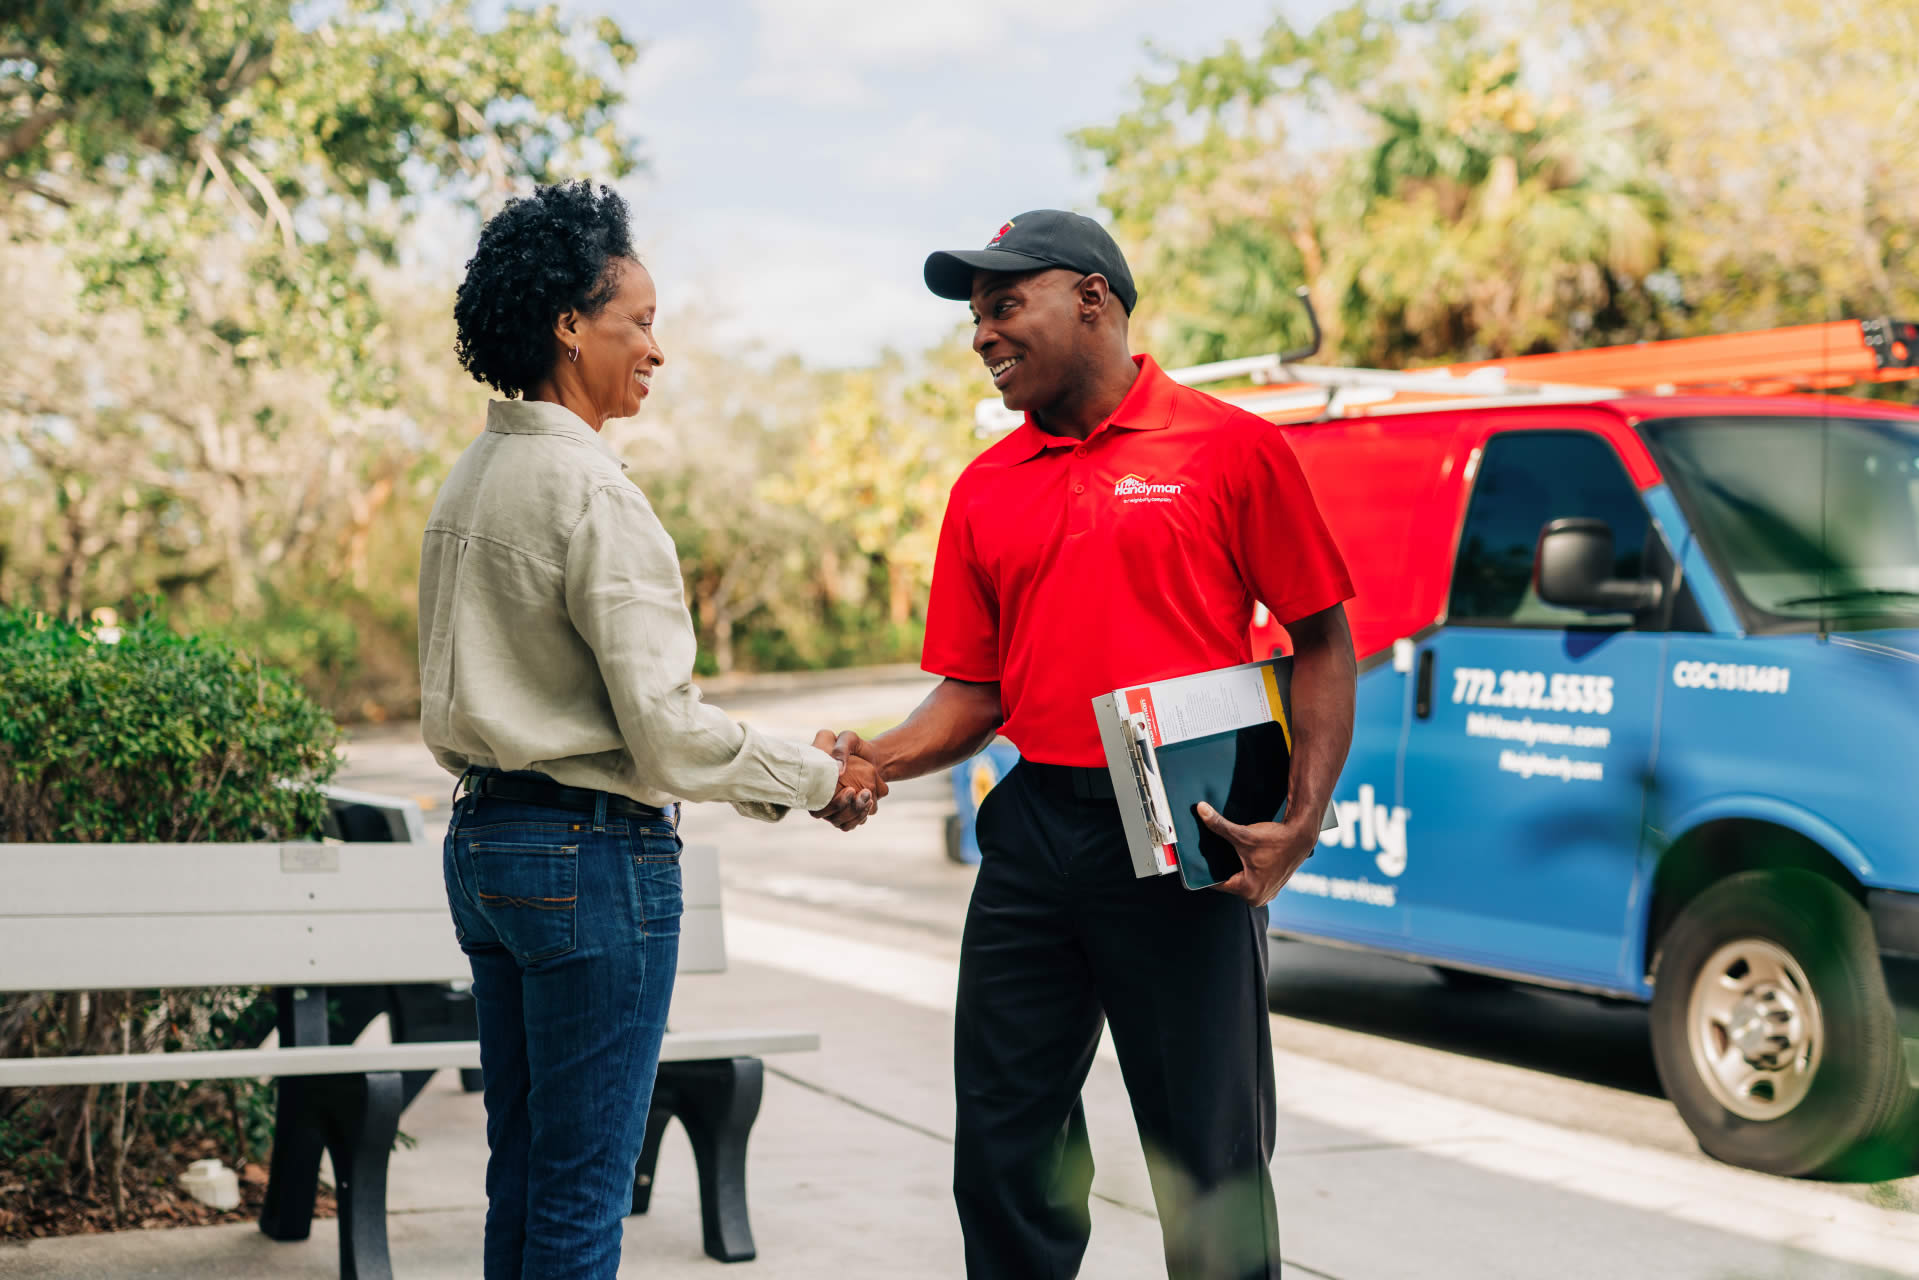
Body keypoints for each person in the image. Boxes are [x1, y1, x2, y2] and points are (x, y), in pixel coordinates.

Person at [827, 209, 1357, 1279]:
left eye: (1002, 305)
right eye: (974, 318)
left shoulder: (1228, 446)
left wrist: (1298, 819)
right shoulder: (985, 486)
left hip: (1179, 833)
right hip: (1033, 831)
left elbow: (1322, 639)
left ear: (1091, 298)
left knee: (1206, 1160)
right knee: (1003, 1153)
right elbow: (975, 689)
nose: (982, 334)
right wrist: (874, 759)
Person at [420, 179, 883, 1279]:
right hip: (588, 860)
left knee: (523, 1173)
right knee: (582, 1196)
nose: (656, 349)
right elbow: (666, 733)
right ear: (568, 327)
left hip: (486, 848)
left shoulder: (468, 481)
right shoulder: (591, 493)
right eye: (640, 321)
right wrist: (819, 777)